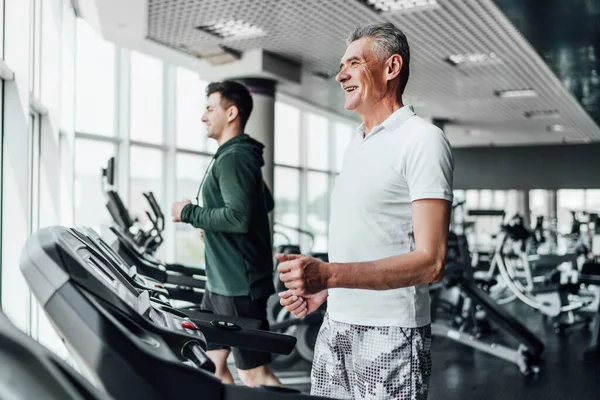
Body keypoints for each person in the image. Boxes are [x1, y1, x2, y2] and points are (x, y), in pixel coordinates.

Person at [277, 22, 454, 399]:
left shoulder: (423, 140)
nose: (340, 75)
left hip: (391, 333)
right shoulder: (355, 142)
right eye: (342, 66)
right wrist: (326, 289)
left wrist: (329, 274)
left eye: (354, 63)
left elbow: (431, 261)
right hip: (336, 324)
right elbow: (371, 238)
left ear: (391, 68)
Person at [171, 80, 280, 388]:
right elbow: (263, 203)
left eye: (209, 108)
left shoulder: (234, 157)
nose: (204, 116)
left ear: (231, 113)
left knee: (255, 375)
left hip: (238, 288)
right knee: (213, 365)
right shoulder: (233, 155)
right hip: (221, 284)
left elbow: (240, 217)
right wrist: (213, 228)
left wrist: (189, 214)